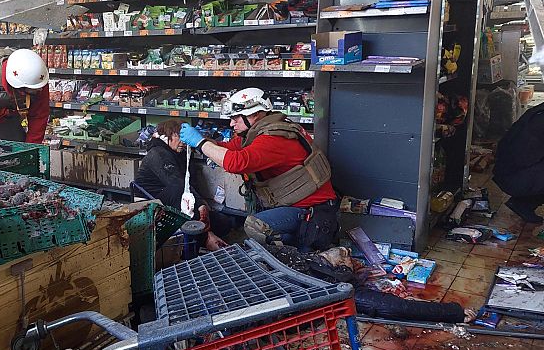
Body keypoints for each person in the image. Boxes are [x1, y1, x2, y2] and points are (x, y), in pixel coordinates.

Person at [179, 87, 338, 252]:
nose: (231, 124)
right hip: (295, 204)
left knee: (255, 226)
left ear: (254, 114)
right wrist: (203, 140)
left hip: (312, 211)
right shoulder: (262, 131)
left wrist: (200, 143)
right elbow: (231, 148)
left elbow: (236, 162)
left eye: (235, 118)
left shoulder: (274, 138)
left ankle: (291, 252)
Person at [266, 244, 477, 324]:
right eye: (346, 254)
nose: (347, 251)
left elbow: (393, 306)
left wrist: (452, 312)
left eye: (347, 256)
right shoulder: (303, 255)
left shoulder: (335, 284)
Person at [135, 119, 229, 251]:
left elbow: (190, 183)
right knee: (179, 190)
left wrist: (202, 205)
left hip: (174, 201)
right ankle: (205, 238)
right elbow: (177, 184)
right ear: (167, 135)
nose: (184, 142)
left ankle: (204, 237)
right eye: (179, 136)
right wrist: (200, 205)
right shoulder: (157, 153)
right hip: (151, 203)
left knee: (223, 222)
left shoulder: (182, 154)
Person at [493, 102, 544, 222]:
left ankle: (524, 204)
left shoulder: (539, 111)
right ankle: (525, 202)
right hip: (514, 177)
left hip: (512, 172)